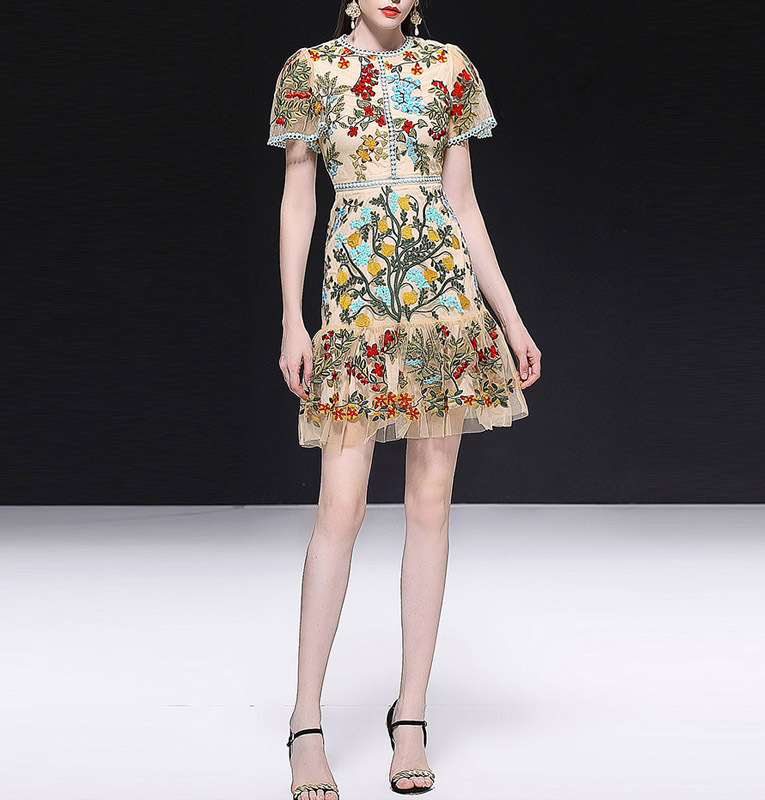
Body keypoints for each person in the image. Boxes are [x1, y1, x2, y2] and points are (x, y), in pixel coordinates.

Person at [267, 2, 541, 798]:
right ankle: (306, 720)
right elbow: (298, 200)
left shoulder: (449, 66)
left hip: (443, 305)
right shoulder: (310, 70)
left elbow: (463, 204)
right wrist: (293, 319)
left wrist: (511, 319)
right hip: (355, 307)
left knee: (430, 502)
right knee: (340, 507)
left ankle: (411, 715)